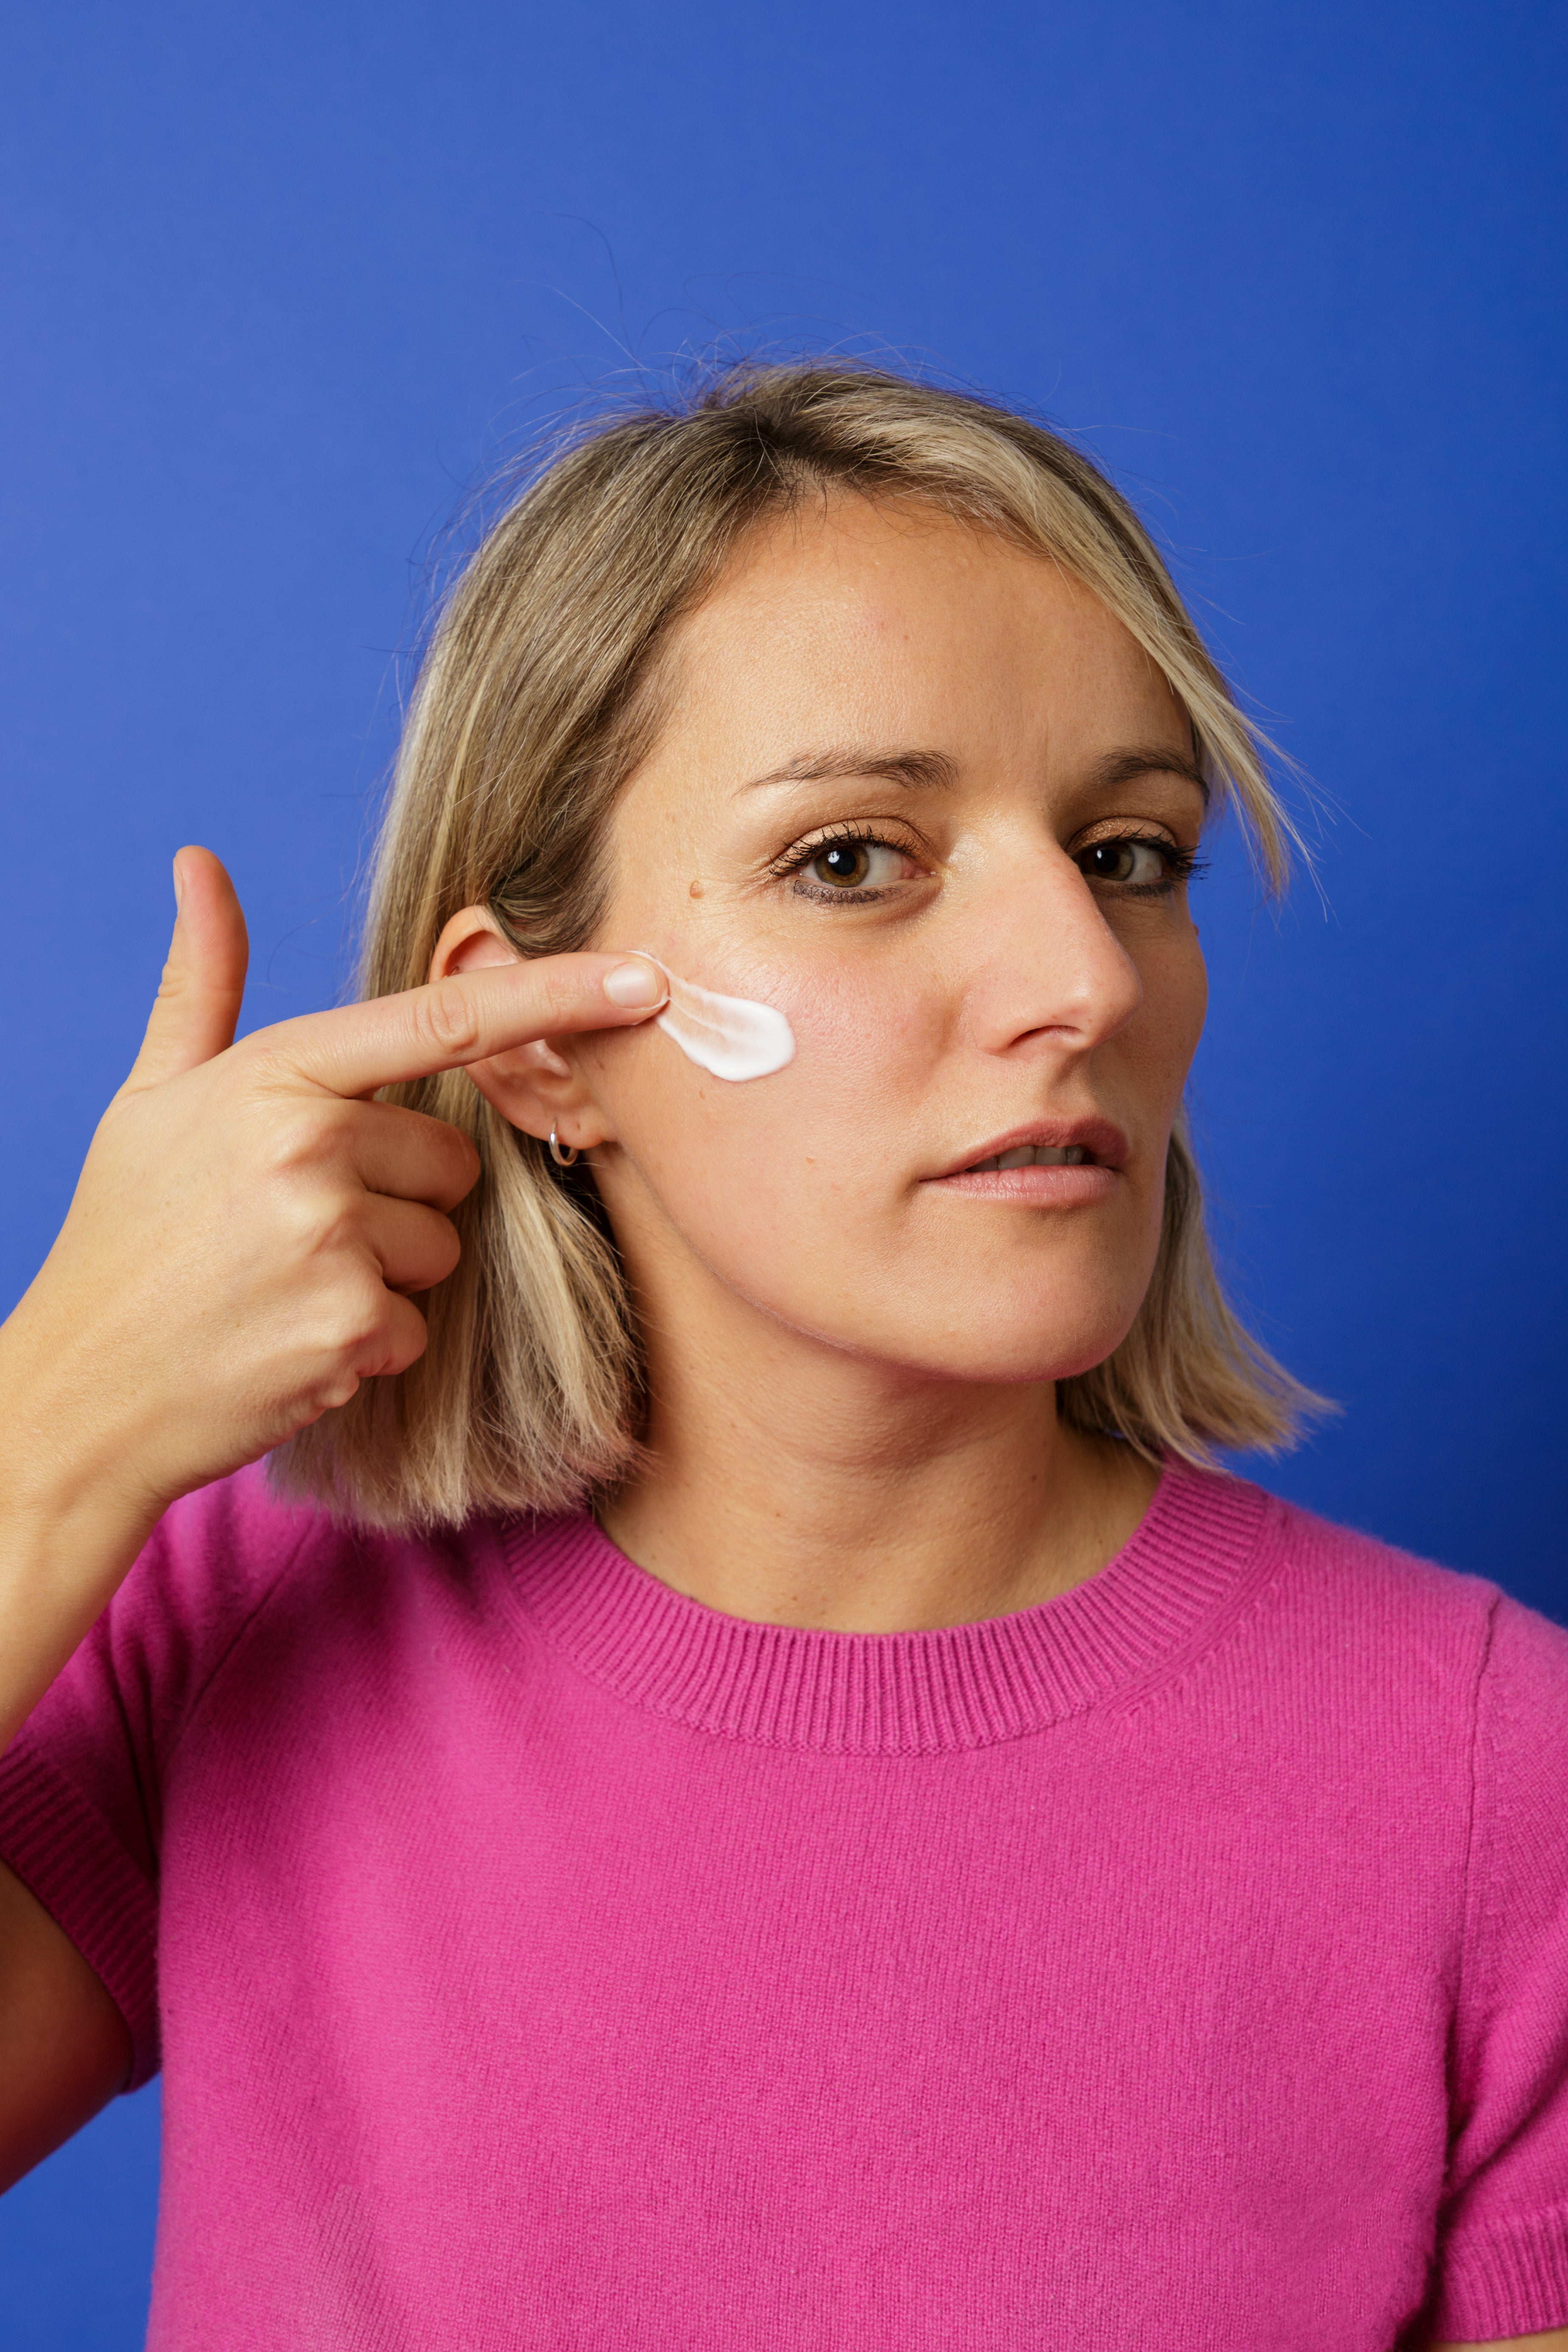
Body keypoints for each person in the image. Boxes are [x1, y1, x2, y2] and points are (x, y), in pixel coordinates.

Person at [0, 364, 1563, 2352]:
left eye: (1131, 853)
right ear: (543, 1042)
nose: (1083, 983)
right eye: (853, 860)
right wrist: (42, 1429)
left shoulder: (1503, 1781)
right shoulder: (227, 1644)